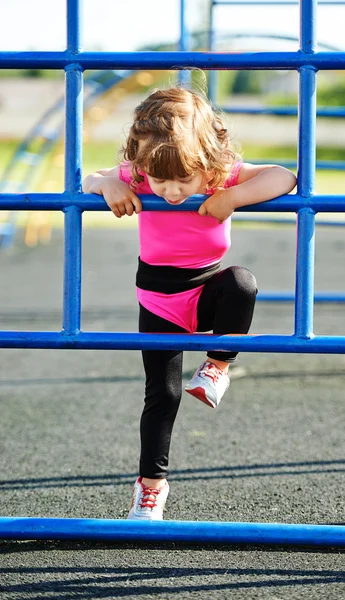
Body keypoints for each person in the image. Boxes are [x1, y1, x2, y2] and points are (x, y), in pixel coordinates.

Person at [82, 85, 297, 521]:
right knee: (162, 394)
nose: (172, 192)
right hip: (158, 302)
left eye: (184, 180)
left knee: (241, 282)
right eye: (160, 181)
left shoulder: (222, 175)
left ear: (208, 166)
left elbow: (284, 176)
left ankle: (217, 366)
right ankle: (150, 487)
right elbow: (87, 178)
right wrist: (107, 183)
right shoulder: (139, 174)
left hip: (204, 293)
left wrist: (233, 197)